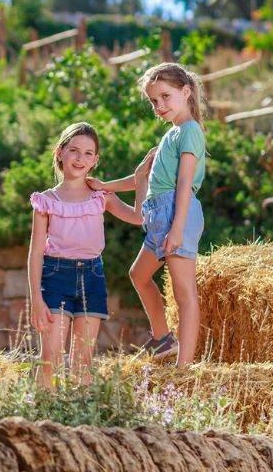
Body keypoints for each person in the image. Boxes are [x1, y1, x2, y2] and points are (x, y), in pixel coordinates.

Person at [88, 62, 207, 366]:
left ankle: (184, 365)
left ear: (186, 91)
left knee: (184, 292)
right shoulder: (169, 137)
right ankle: (164, 338)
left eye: (166, 97)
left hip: (176, 214)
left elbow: (184, 184)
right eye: (154, 101)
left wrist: (177, 228)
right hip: (159, 217)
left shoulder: (190, 131)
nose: (160, 106)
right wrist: (104, 185)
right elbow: (141, 179)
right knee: (138, 275)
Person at [28, 122, 151, 388]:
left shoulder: (101, 197)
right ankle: (42, 415)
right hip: (55, 276)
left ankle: (78, 422)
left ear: (95, 159)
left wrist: (140, 179)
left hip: (92, 276)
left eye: (87, 153)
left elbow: (138, 216)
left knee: (83, 359)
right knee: (50, 357)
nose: (80, 158)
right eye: (73, 150)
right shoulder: (46, 201)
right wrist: (36, 299)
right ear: (60, 152)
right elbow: (35, 252)